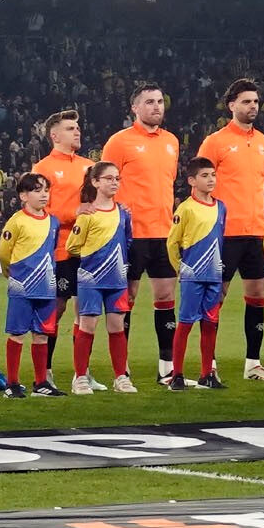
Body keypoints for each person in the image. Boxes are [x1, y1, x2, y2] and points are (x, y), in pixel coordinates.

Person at [100, 85, 184, 384]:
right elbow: (102, 183)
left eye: (160, 101)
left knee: (166, 296)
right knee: (126, 299)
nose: (156, 107)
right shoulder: (119, 142)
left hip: (164, 232)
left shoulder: (172, 141)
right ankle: (122, 369)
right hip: (130, 234)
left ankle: (166, 367)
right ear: (135, 108)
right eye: (149, 102)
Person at [196, 78, 264, 380]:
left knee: (257, 295)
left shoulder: (263, 141)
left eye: (255, 101)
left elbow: (259, 183)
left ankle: (253, 364)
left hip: (255, 231)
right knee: (216, 296)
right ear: (232, 105)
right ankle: (209, 363)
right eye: (246, 101)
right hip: (223, 233)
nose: (252, 106)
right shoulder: (215, 141)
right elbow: (200, 182)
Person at [26, 109, 90, 365]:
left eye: (77, 127)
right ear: (54, 135)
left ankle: (82, 373)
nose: (77, 131)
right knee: (56, 308)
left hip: (89, 250)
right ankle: (46, 370)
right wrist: (73, 212)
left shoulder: (89, 166)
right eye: (70, 128)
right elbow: (37, 209)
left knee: (85, 310)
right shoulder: (43, 168)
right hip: (60, 250)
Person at [67, 161, 136, 394]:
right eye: (108, 178)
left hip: (117, 280)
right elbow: (72, 246)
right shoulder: (88, 215)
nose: (114, 182)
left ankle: (121, 377)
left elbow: (128, 241)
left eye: (117, 178)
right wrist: (94, 259)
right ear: (95, 182)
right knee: (88, 325)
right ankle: (80, 377)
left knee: (117, 326)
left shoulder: (124, 214)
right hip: (91, 279)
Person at [0, 172, 60, 397]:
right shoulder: (17, 221)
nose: (43, 194)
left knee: (42, 334)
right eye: (37, 190)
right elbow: (3, 253)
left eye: (45, 189)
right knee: (17, 333)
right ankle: (12, 384)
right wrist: (11, 274)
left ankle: (41, 383)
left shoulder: (54, 222)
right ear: (23, 195)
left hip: (46, 287)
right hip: (21, 288)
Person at [170, 155, 227, 390]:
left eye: (213, 175)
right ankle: (177, 375)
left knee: (210, 324)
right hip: (193, 277)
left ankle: (206, 374)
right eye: (205, 176)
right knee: (185, 324)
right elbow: (172, 243)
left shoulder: (221, 206)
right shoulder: (186, 208)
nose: (211, 179)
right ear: (192, 180)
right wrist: (181, 269)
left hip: (214, 276)